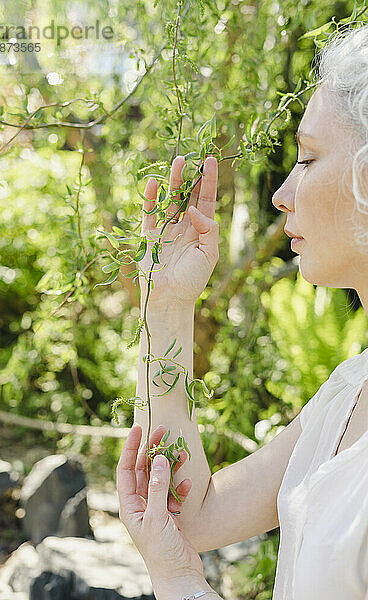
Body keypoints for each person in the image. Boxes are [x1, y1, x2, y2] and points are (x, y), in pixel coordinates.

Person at [116, 23, 368, 600]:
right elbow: (196, 511)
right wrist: (169, 304)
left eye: (307, 158)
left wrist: (179, 582)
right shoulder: (348, 392)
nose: (281, 193)